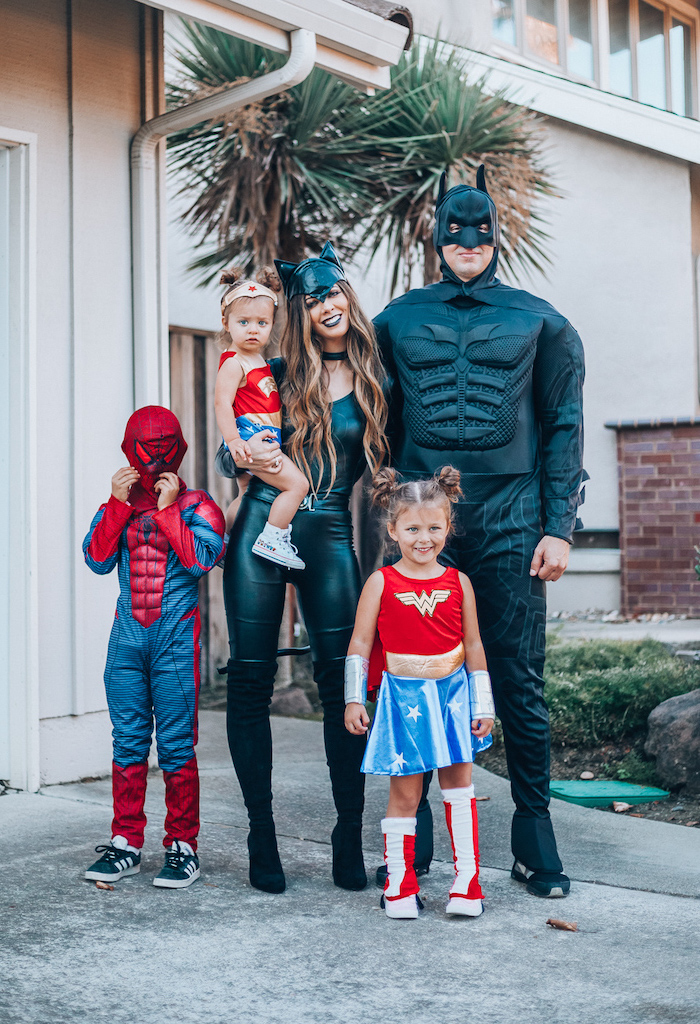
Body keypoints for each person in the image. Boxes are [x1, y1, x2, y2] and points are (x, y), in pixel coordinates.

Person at [372, 166, 586, 899]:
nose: (468, 242)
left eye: (481, 230)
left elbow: (563, 427)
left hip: (514, 518)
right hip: (423, 521)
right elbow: (364, 422)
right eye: (454, 230)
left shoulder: (540, 320)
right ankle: (416, 845)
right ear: (436, 236)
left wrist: (559, 527)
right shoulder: (396, 320)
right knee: (413, 677)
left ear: (498, 235)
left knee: (519, 678)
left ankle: (534, 842)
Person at [223, 242, 388, 894]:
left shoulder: (378, 381)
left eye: (333, 293)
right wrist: (231, 449)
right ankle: (262, 836)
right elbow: (230, 441)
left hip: (327, 537)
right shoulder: (277, 372)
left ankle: (348, 834)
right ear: (301, 310)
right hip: (263, 528)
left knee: (345, 684)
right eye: (313, 298)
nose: (326, 305)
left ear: (348, 296)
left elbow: (400, 467)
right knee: (250, 681)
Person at [83, 407, 225, 888]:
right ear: (128, 447)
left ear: (179, 446)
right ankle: (126, 843)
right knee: (127, 744)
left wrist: (166, 510)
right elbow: (97, 560)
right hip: (126, 640)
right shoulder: (117, 503)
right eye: (147, 443)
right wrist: (117, 502)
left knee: (176, 748)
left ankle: (183, 847)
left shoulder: (198, 505)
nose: (155, 451)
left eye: (165, 442)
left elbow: (202, 560)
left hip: (174, 641)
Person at [344, 467, 495, 919]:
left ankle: (467, 881)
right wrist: (355, 698)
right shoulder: (380, 582)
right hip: (403, 699)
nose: (423, 538)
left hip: (453, 698)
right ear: (393, 531)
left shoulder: (459, 582)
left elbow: (473, 645)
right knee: (405, 795)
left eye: (434, 527)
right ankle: (399, 885)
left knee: (459, 787)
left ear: (448, 528)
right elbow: (359, 645)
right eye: (412, 528)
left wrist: (482, 703)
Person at [214, 268, 309, 568]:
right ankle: (273, 536)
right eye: (244, 322)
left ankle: (226, 540)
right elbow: (222, 403)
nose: (253, 330)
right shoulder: (234, 363)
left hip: (261, 435)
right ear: (225, 323)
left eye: (261, 323)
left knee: (245, 493)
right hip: (253, 439)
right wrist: (233, 441)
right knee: (297, 486)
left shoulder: (259, 360)